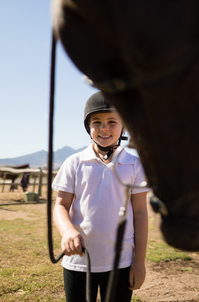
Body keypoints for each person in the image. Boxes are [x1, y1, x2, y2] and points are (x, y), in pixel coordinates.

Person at [53, 91, 149, 302]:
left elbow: (141, 213)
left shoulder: (134, 165)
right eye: (97, 122)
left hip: (121, 263)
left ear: (123, 126)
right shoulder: (74, 163)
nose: (104, 128)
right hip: (78, 261)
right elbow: (60, 206)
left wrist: (139, 262)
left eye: (112, 121)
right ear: (89, 127)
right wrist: (67, 231)